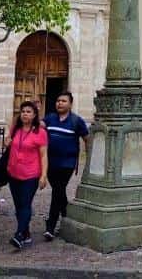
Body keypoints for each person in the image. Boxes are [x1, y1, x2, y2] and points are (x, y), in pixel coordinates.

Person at [41, 91, 90, 240]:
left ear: (70, 104)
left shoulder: (77, 121)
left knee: (57, 190)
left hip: (67, 163)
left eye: (63, 101)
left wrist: (89, 158)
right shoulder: (49, 118)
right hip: (50, 162)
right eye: (58, 101)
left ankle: (50, 226)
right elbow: (36, 127)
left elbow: (87, 138)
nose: (59, 103)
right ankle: (67, 214)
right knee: (59, 191)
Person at [5, 101, 48, 249]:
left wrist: (43, 175)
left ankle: (18, 235)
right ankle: (26, 232)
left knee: (25, 204)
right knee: (18, 206)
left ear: (35, 114)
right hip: (13, 173)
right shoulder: (15, 129)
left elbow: (43, 155)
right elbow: (8, 144)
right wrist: (7, 142)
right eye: (23, 111)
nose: (25, 114)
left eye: (29, 111)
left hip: (31, 174)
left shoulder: (40, 132)